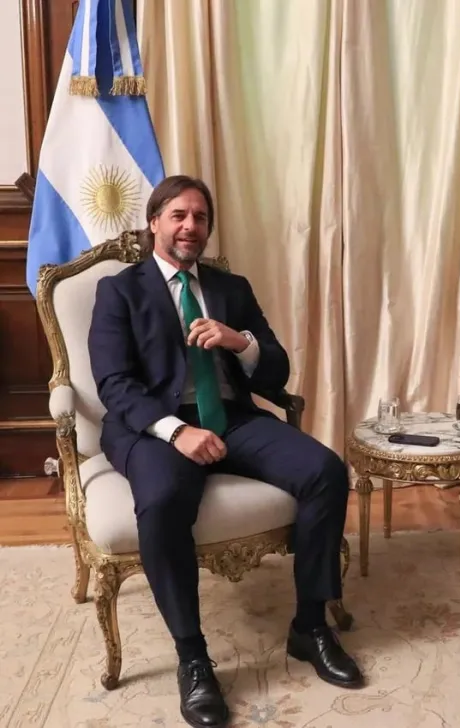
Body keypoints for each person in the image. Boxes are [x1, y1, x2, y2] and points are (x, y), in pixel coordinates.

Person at [88, 175, 363, 728]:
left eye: (201, 217)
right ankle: (193, 658)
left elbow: (277, 370)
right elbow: (114, 384)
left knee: (326, 471)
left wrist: (241, 342)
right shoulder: (120, 290)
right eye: (179, 215)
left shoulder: (230, 287)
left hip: (232, 418)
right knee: (163, 499)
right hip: (153, 428)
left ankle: (310, 626)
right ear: (155, 223)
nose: (191, 226)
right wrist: (176, 432)